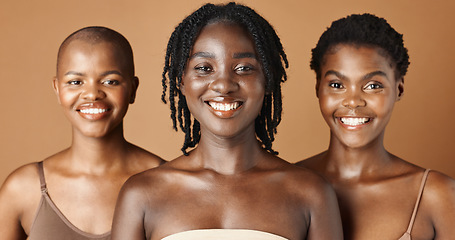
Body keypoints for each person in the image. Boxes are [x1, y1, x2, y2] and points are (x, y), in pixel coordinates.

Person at [111, 3, 342, 240]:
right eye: (204, 68)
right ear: (181, 81)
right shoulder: (141, 195)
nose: (223, 85)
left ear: (268, 80)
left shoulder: (311, 194)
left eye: (243, 68)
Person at [295, 13, 455, 240]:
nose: (353, 101)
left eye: (372, 85)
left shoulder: (437, 195)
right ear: (318, 89)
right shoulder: (287, 185)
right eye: (337, 84)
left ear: (398, 89)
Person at [0, 26, 164, 239]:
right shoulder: (22, 190)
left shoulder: (166, 184)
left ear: (133, 89)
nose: (92, 94)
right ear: (57, 89)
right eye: (75, 82)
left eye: (110, 81)